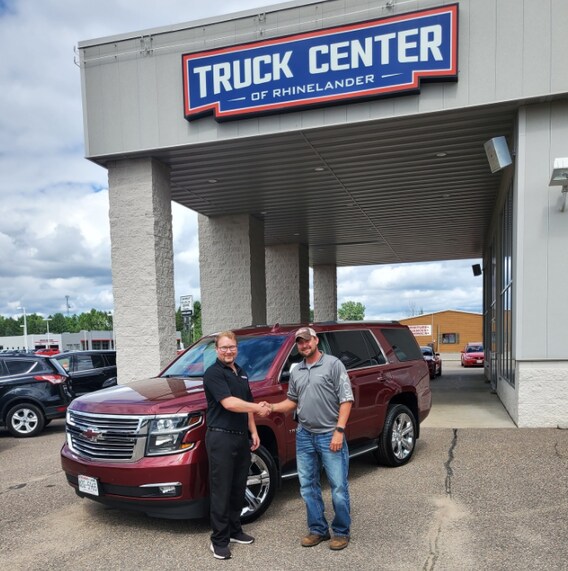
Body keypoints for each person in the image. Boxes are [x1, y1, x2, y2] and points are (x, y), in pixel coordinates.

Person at [262, 326, 354, 550]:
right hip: (304, 435)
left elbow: (346, 400)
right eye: (300, 342)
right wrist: (272, 406)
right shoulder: (297, 371)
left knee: (338, 487)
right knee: (307, 486)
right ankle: (318, 530)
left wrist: (339, 431)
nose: (304, 345)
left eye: (307, 341)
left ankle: (341, 532)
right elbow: (293, 401)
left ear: (316, 340)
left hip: (329, 434)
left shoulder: (333, 365)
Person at [203, 330, 269, 560]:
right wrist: (257, 409)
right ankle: (218, 540)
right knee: (221, 490)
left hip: (240, 436)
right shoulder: (213, 374)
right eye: (224, 347)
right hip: (220, 437)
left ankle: (234, 530)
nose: (228, 351)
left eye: (232, 347)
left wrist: (253, 430)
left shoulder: (240, 372)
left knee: (237, 487)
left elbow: (247, 403)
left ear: (236, 348)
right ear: (217, 349)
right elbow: (230, 404)